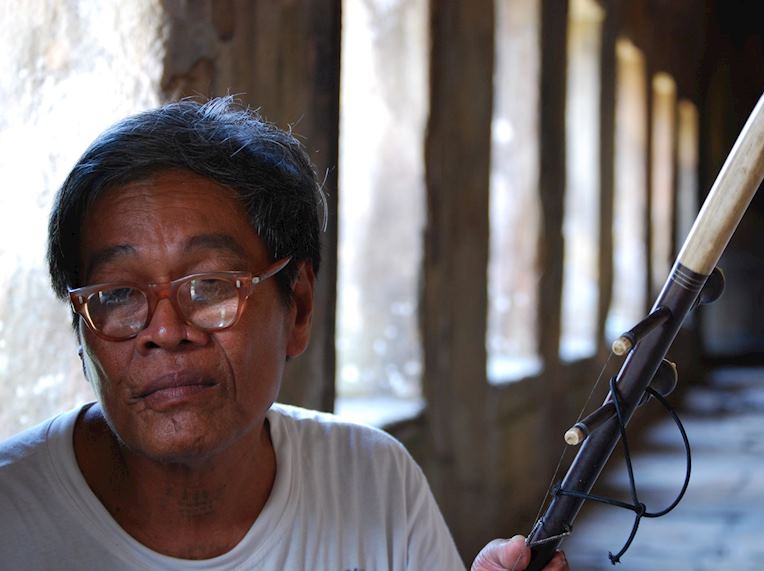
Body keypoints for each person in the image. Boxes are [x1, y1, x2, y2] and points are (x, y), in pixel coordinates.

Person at [0, 97, 568, 570]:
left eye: (211, 286)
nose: (167, 331)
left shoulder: (373, 479)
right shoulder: (14, 515)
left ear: (296, 306)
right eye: (118, 295)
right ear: (82, 334)